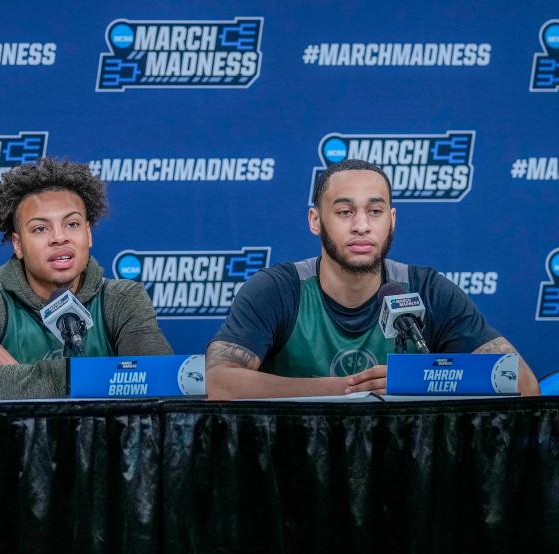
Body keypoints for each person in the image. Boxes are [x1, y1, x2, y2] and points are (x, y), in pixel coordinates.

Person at [206, 159, 539, 398]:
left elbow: (522, 382)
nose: (361, 225)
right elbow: (218, 382)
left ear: (391, 220)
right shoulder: (277, 290)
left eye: (375, 211)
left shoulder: (429, 290)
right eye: (345, 211)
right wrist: (349, 389)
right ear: (315, 220)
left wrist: (415, 381)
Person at [0, 157, 172, 400]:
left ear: (88, 234)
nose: (59, 238)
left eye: (72, 224)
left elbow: (158, 381)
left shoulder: (123, 299)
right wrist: (100, 378)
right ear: (18, 245)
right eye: (40, 228)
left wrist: (18, 376)